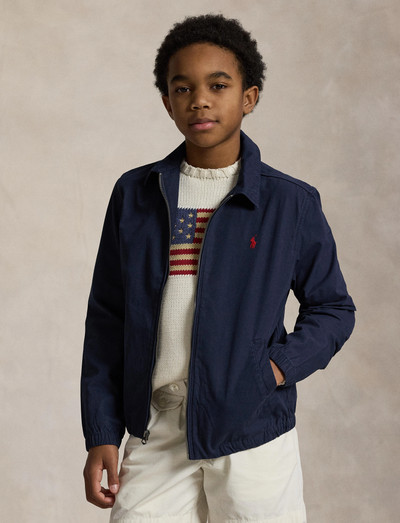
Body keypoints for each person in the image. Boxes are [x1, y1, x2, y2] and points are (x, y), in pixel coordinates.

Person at [81, 14, 355, 523]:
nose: (199, 100)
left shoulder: (289, 203)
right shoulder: (135, 195)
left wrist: (272, 370)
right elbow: (107, 321)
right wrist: (101, 431)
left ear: (249, 97)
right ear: (168, 102)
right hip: (158, 428)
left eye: (218, 85)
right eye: (182, 88)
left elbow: (333, 309)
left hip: (252, 430)